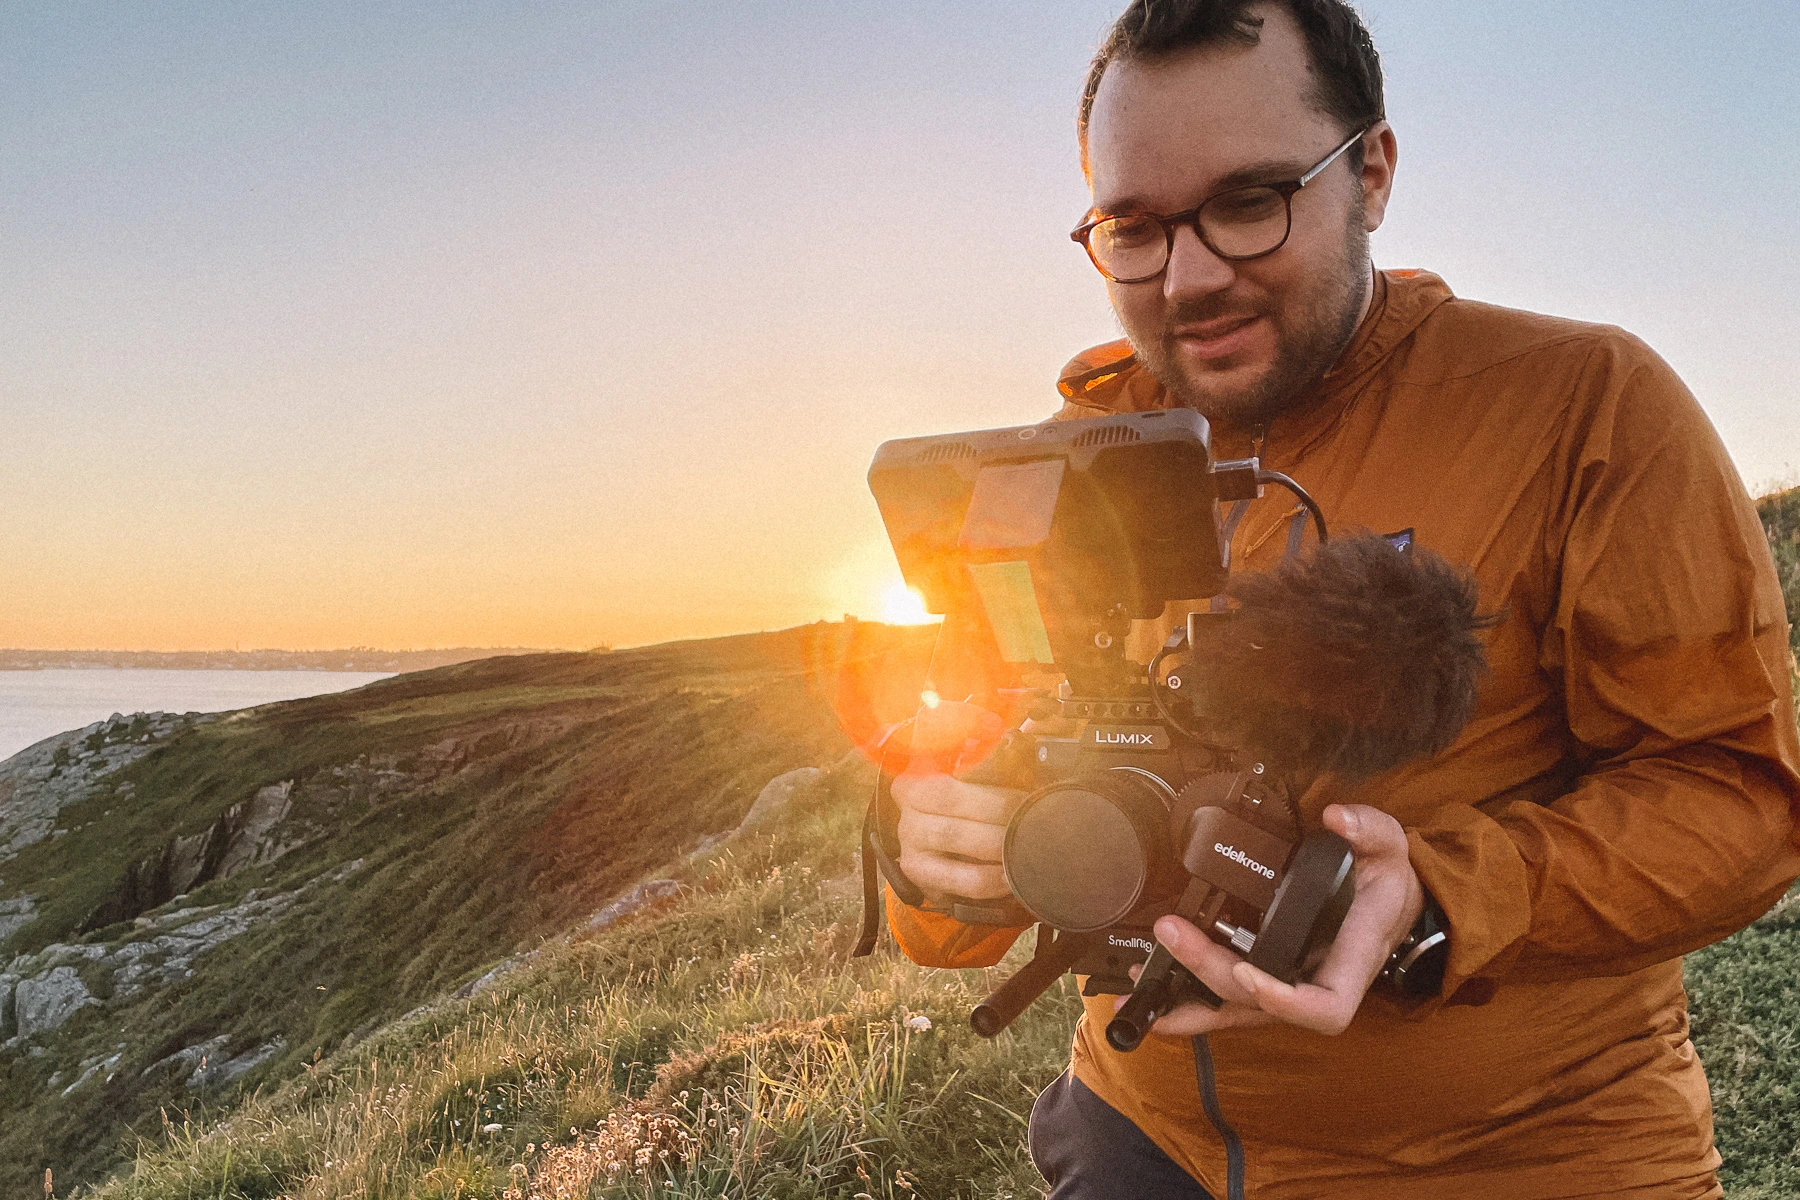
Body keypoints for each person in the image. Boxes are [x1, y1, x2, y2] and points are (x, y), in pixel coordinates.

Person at [880, 2, 1800, 1197]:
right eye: (1133, 228)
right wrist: (929, 849)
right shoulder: (1066, 463)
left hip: (1519, 1158)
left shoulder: (1586, 404)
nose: (1189, 278)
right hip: (1140, 1135)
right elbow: (975, 770)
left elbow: (1738, 799)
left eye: (1249, 202)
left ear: (1370, 173)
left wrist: (1437, 900)